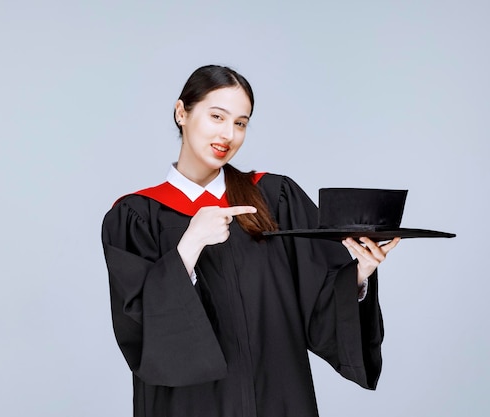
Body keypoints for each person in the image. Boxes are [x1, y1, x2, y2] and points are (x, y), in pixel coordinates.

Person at [101, 64, 400, 417]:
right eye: (217, 116)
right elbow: (139, 328)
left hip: (276, 397)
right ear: (182, 112)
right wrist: (189, 246)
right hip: (188, 406)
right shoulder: (136, 217)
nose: (228, 134)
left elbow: (321, 304)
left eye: (240, 123)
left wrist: (359, 275)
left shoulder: (274, 197)